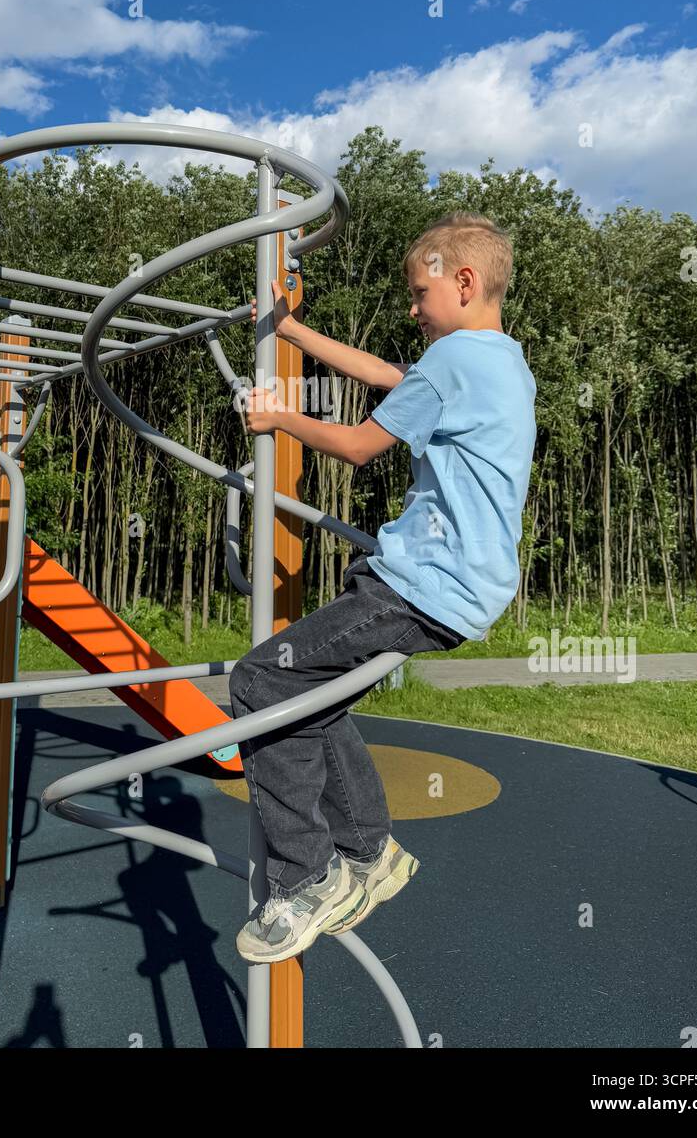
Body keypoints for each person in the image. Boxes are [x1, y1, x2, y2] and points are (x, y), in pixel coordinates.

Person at [232, 213, 537, 963]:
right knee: (314, 695)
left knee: (260, 683)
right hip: (459, 587)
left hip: (423, 585)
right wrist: (291, 333)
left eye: (418, 291)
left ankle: (309, 877)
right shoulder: (496, 360)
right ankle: (370, 853)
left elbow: (362, 446)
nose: (411, 306)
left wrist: (277, 417)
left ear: (462, 282)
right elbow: (384, 376)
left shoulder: (455, 360)